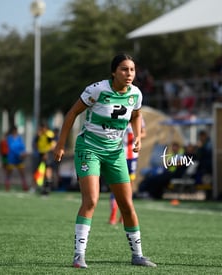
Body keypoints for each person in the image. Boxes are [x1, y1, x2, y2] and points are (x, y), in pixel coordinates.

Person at [53, 53, 157, 268]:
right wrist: (61, 144)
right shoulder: (97, 90)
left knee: (127, 205)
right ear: (113, 72)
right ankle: (78, 256)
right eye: (124, 69)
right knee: (91, 200)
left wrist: (137, 136)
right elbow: (72, 113)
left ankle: (137, 255)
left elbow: (136, 116)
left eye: (132, 70)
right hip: (89, 149)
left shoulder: (135, 94)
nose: (129, 74)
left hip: (115, 153)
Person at [109, 119, 146, 225]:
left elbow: (143, 133)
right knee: (116, 185)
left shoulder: (139, 117)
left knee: (129, 185)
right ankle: (113, 215)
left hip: (132, 157)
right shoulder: (119, 113)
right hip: (119, 155)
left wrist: (137, 137)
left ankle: (123, 216)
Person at [4, 126, 28, 192]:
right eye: (15, 130)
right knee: (9, 173)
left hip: (19, 159)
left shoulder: (19, 138)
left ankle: (25, 186)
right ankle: (7, 186)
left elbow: (22, 146)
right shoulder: (10, 138)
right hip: (12, 159)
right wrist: (19, 154)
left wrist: (24, 152)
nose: (16, 132)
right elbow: (11, 148)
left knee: (22, 173)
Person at [37, 122, 56, 195]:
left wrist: (47, 153)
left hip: (47, 154)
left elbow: (53, 144)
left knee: (48, 170)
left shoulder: (49, 134)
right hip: (42, 153)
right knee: (43, 170)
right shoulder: (41, 134)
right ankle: (44, 187)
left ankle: (47, 188)